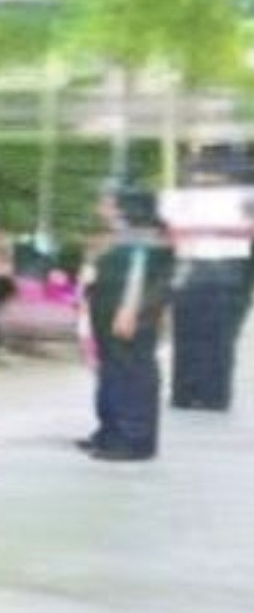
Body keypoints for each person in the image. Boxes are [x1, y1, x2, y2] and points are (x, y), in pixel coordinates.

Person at [81, 184, 175, 463]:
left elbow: (139, 278)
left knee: (131, 372)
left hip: (127, 314)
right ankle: (111, 432)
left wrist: (131, 309)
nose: (102, 209)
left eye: (109, 204)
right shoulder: (125, 236)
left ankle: (133, 438)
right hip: (109, 311)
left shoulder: (144, 238)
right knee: (113, 371)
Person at [160, 160, 254, 412]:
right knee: (211, 339)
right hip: (219, 275)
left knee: (198, 338)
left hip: (205, 273)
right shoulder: (242, 199)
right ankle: (207, 393)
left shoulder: (182, 200)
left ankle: (191, 392)